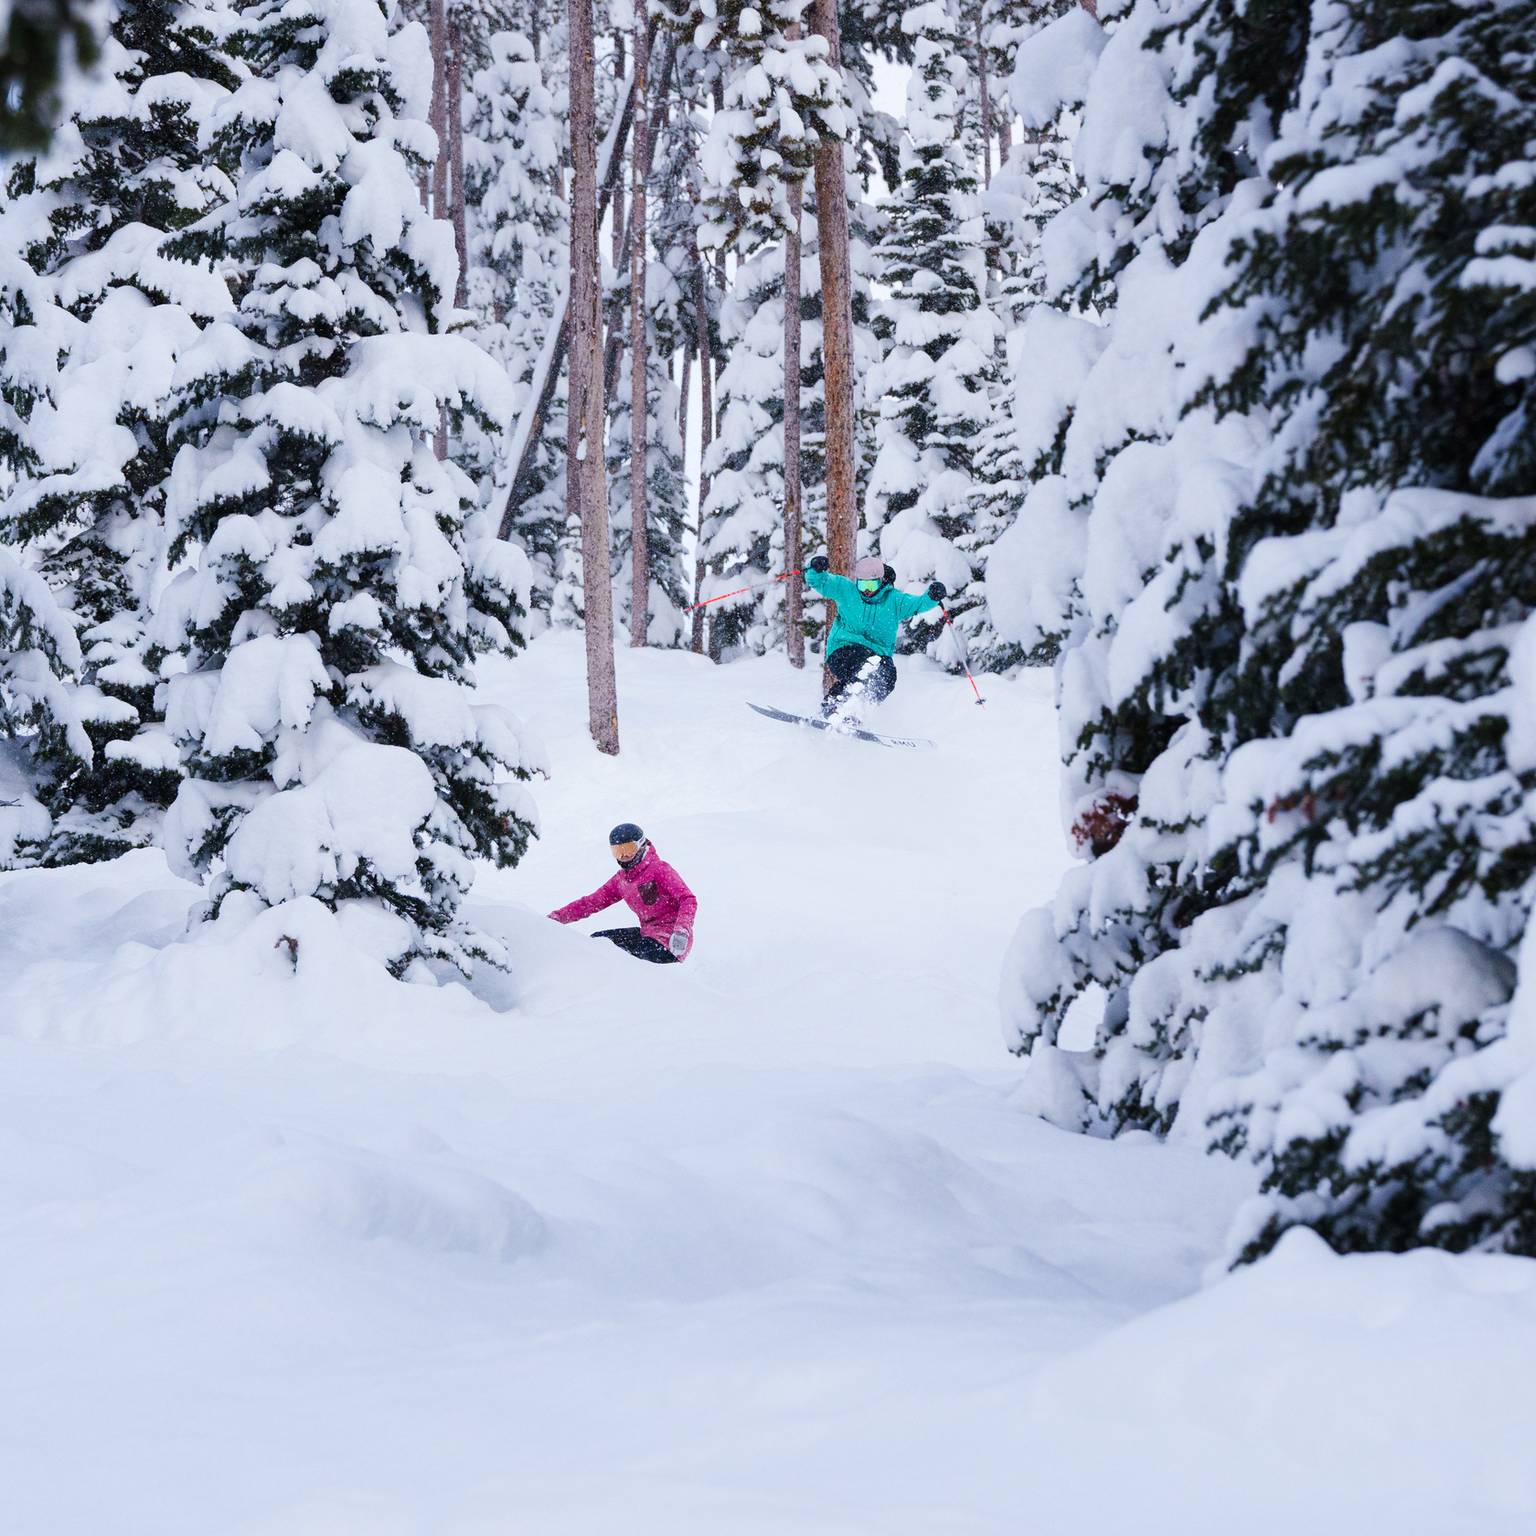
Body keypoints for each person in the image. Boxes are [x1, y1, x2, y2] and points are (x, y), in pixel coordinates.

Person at [804, 554, 947, 716]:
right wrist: (815, 568)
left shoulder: (894, 601)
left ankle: (857, 712)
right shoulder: (847, 590)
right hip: (842, 649)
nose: (866, 590)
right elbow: (818, 581)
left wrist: (932, 596)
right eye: (862, 585)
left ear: (880, 582)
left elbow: (919, 603)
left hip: (877, 654)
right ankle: (832, 708)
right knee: (863, 667)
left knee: (886, 677)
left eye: (871, 586)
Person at [548, 823, 697, 963]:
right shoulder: (622, 881)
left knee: (623, 956)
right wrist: (557, 918)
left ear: (641, 845)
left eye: (628, 849)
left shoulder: (659, 869)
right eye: (618, 852)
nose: (624, 856)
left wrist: (681, 931)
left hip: (671, 942)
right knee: (598, 942)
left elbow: (688, 899)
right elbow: (591, 902)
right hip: (648, 935)